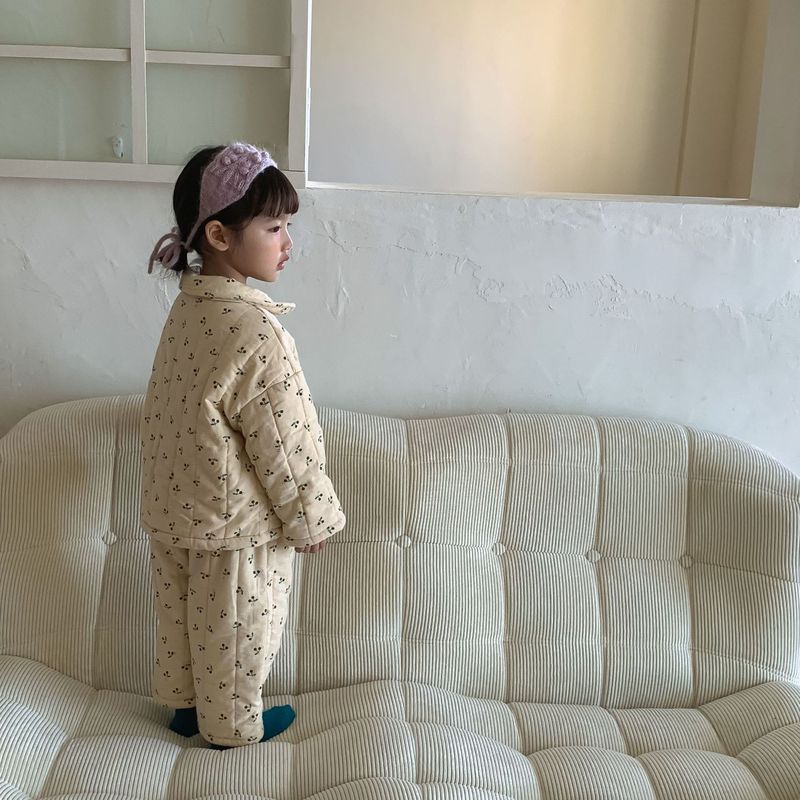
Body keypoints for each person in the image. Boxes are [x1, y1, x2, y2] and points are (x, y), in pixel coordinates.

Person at [139, 141, 346, 749]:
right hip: (234, 526)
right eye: (275, 228)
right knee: (235, 630)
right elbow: (283, 440)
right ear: (220, 236)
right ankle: (231, 729)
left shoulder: (188, 312)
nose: (288, 243)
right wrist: (309, 517)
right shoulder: (256, 331)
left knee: (182, 619)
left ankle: (184, 708)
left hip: (174, 510)